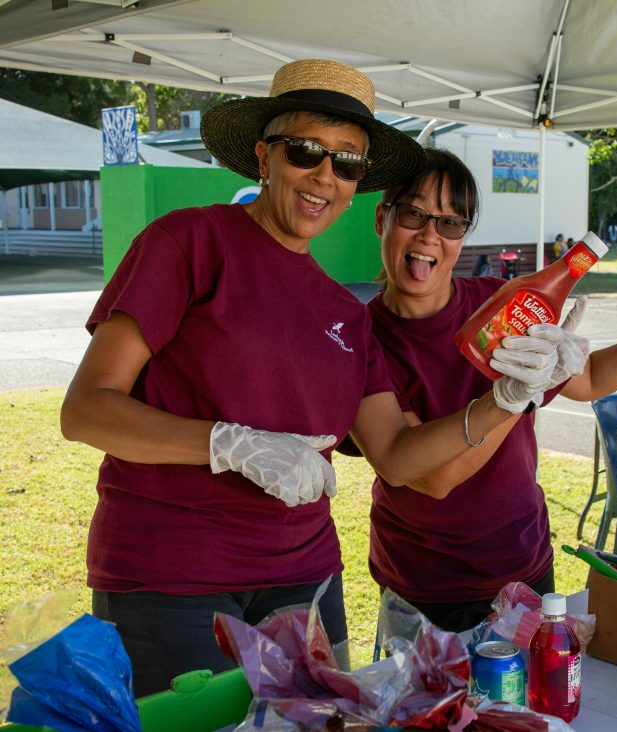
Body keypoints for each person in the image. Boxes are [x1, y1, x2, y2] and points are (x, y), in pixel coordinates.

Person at [58, 60, 567, 696]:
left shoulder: (344, 317)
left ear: (357, 186)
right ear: (264, 155)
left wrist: (505, 400)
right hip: (172, 573)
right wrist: (229, 444)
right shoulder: (189, 242)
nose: (325, 175)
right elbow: (87, 410)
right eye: (306, 152)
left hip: (306, 579)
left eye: (347, 162)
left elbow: (401, 458)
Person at [365, 147, 617, 631]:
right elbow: (433, 478)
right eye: (414, 214)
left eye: (451, 224)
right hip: (425, 590)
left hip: (526, 569)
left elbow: (592, 379)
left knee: (535, 706)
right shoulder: (358, 335)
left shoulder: (502, 302)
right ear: (382, 218)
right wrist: (511, 398)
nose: (431, 236)